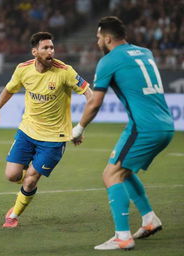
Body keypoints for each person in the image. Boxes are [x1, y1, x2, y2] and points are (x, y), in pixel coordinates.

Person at [72, 16, 174, 250]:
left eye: (98, 37)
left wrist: (78, 129)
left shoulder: (109, 61)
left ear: (107, 38)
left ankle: (122, 237)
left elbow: (95, 103)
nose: (97, 41)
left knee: (111, 174)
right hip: (165, 124)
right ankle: (149, 219)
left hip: (144, 127)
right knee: (122, 170)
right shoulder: (145, 52)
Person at [0, 32, 92, 228]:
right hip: (27, 131)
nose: (50, 51)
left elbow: (90, 95)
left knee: (30, 181)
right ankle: (30, 174)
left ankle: (13, 215)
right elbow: (10, 89)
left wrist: (80, 127)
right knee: (12, 175)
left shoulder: (65, 71)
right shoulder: (23, 69)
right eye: (45, 48)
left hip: (54, 138)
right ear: (35, 52)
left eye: (52, 47)